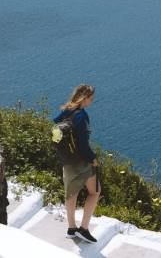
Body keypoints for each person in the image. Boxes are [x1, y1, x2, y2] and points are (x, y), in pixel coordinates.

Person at [53, 84, 101, 243]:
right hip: (81, 161)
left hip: (67, 160)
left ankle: (71, 228)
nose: (91, 101)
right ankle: (84, 229)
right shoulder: (82, 116)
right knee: (95, 191)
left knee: (71, 194)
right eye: (90, 98)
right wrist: (93, 159)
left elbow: (55, 127)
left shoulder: (66, 110)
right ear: (84, 98)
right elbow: (82, 143)